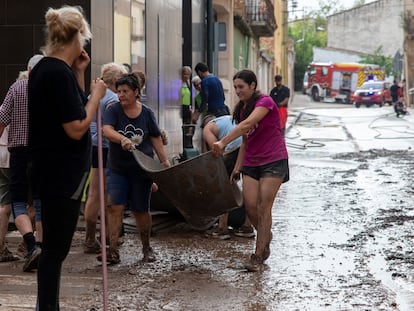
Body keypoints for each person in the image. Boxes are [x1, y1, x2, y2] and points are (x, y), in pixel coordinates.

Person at [28, 5, 106, 310]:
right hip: (61, 174)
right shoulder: (56, 74)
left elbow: (71, 108)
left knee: (54, 250)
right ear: (79, 35)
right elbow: (75, 127)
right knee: (54, 251)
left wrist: (79, 73)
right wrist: (97, 96)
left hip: (53, 171)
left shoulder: (50, 70)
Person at [211, 69, 289, 272]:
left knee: (264, 206)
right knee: (250, 207)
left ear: (252, 85)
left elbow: (246, 126)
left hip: (273, 160)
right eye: (235, 87)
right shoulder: (243, 108)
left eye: (241, 87)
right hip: (251, 162)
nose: (237, 91)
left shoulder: (265, 102)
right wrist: (237, 167)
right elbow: (246, 140)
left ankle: (258, 255)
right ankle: (266, 235)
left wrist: (222, 142)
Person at [102, 72, 170, 264]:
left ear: (136, 92)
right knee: (114, 206)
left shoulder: (147, 113)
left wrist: (164, 162)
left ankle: (146, 247)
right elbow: (106, 130)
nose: (121, 95)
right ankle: (113, 249)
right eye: (119, 91)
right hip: (117, 168)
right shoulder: (113, 110)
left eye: (125, 91)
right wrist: (122, 138)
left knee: (141, 209)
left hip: (142, 169)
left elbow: (155, 137)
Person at [0, 54, 44, 272]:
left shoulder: (17, 88)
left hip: (19, 153)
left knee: (18, 202)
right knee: (40, 201)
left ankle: (31, 245)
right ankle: (42, 248)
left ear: (28, 69)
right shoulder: (52, 90)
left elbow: (1, 120)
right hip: (44, 154)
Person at [83, 62, 127, 254]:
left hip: (92, 146)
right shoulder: (113, 100)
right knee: (109, 194)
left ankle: (91, 238)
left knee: (94, 193)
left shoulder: (94, 95)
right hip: (107, 148)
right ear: (116, 80)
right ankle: (105, 237)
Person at [203, 114, 255, 240]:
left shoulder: (207, 128)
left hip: (235, 148)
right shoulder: (226, 119)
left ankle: (222, 228)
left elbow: (216, 151)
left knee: (224, 187)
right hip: (251, 145)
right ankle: (247, 227)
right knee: (249, 187)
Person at [0, 126, 19, 262]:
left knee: (3, 204)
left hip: (1, 155)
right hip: (14, 155)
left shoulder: (3, 109)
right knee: (28, 203)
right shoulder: (21, 107)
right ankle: (29, 244)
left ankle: (0, 247)